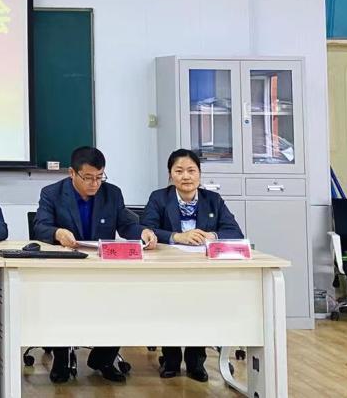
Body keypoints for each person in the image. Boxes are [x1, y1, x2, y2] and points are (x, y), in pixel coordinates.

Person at [33, 145, 157, 384]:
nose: (95, 183)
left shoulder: (112, 194)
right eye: (88, 177)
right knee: (58, 300)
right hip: (66, 269)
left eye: (100, 177)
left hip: (102, 268)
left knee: (124, 300)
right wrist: (57, 233)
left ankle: (103, 359)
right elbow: (40, 226)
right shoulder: (52, 193)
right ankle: (61, 357)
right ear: (72, 173)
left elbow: (127, 225)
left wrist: (143, 232)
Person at [142, 148, 244, 382]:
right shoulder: (159, 198)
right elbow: (146, 228)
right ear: (170, 175)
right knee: (169, 307)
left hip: (204, 270)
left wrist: (212, 236)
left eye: (191, 170)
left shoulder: (213, 200)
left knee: (201, 307)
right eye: (179, 171)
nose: (186, 176)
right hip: (168, 270)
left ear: (199, 173)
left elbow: (235, 232)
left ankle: (196, 361)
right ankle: (171, 359)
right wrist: (177, 236)